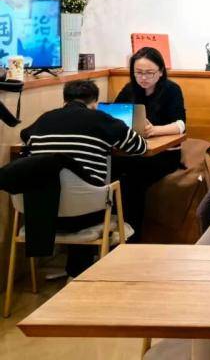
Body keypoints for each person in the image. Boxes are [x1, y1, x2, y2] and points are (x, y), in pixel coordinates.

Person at [20, 80, 147, 276]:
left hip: (40, 213)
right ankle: (81, 271)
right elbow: (139, 147)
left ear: (64, 100)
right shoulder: (101, 119)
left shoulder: (44, 120)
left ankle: (76, 271)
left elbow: (25, 137)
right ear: (94, 103)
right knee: (99, 190)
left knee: (77, 189)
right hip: (87, 216)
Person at [113, 46, 187, 240]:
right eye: (138, 73)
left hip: (163, 154)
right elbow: (114, 116)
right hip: (132, 150)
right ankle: (109, 234)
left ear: (160, 71)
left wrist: (154, 130)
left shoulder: (171, 90)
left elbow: (180, 125)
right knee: (110, 170)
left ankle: (131, 239)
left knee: (132, 179)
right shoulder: (129, 89)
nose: (143, 78)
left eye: (149, 73)